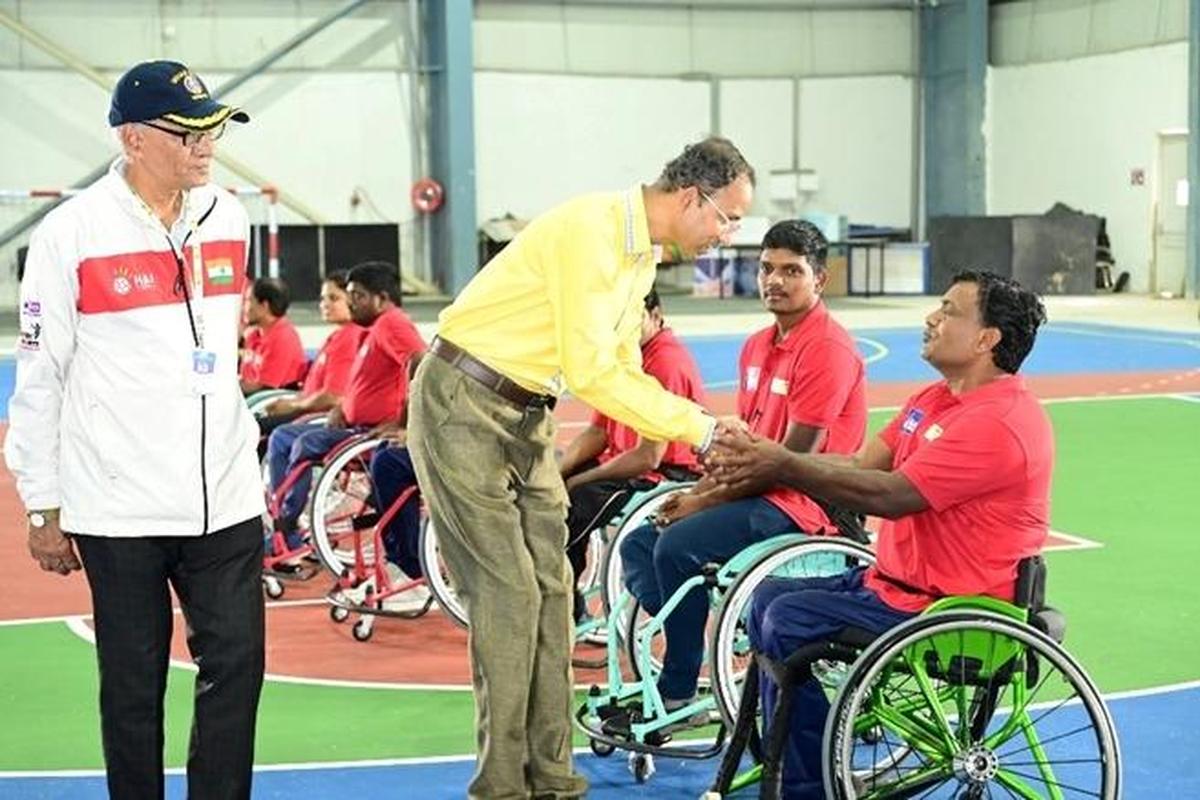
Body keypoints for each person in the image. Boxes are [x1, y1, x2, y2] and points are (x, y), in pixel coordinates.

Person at [406, 136, 755, 800]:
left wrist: (698, 427)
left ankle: (555, 780)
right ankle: (503, 787)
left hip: (525, 414)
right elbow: (595, 374)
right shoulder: (593, 232)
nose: (727, 234)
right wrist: (702, 427)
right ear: (691, 197)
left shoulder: (638, 261)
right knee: (510, 595)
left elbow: (620, 368)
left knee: (552, 588)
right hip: (462, 401)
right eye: (726, 217)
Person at [4, 60, 265, 799]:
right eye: (185, 131)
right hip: (118, 509)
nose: (204, 144)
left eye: (210, 127)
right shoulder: (71, 235)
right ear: (131, 138)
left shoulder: (230, 216)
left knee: (237, 670)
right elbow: (41, 379)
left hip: (225, 497)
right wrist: (43, 503)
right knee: (131, 689)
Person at [709, 270, 1052, 799]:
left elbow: (889, 494)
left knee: (786, 617)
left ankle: (808, 784)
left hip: (952, 608)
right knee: (766, 598)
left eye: (949, 310)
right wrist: (768, 462)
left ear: (987, 340)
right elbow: (859, 464)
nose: (931, 318)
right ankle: (794, 758)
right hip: (893, 585)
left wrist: (779, 463)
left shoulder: (1000, 422)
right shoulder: (933, 399)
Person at [618, 218, 867, 719]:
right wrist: (707, 484)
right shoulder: (756, 345)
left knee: (677, 546)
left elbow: (788, 462)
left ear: (819, 279)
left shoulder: (827, 350)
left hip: (806, 501)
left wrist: (702, 499)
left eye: (791, 271)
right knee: (639, 544)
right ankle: (715, 623)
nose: (774, 280)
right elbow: (749, 447)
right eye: (766, 268)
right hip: (760, 489)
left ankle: (681, 686)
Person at [558, 287, 706, 622]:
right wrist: (558, 473)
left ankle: (564, 608)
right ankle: (559, 594)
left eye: (631, 317)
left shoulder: (665, 363)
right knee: (551, 488)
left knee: (568, 510)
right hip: (629, 465)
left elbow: (648, 457)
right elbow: (597, 432)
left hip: (664, 474)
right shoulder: (623, 358)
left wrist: (578, 479)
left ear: (656, 316)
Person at [265, 261, 424, 566]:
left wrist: (406, 422)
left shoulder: (391, 323)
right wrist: (343, 405)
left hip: (369, 431)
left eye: (358, 296)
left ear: (382, 298)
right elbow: (366, 384)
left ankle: (287, 527)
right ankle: (286, 524)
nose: (351, 302)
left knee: (296, 441)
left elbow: (419, 360)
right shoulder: (374, 330)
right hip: (357, 424)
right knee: (286, 437)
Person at [253, 271, 365, 457]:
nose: (325, 305)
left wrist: (294, 405)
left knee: (262, 433)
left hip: (322, 416)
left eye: (333, 298)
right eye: (323, 299)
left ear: (353, 300)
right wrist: (293, 402)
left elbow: (333, 396)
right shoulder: (337, 336)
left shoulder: (350, 338)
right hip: (308, 408)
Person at [239, 276, 307, 394]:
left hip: (270, 402)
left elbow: (264, 387)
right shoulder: (253, 335)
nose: (243, 307)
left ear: (264, 305)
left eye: (248, 301)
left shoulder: (283, 338)